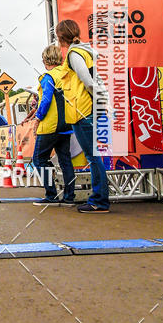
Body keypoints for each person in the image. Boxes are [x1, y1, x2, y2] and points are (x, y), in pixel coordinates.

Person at [56, 19, 110, 213]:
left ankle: (99, 200)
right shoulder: (84, 51)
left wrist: (101, 102)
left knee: (93, 157)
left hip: (83, 111)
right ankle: (99, 198)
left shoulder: (74, 54)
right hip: (86, 110)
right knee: (94, 156)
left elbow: (88, 82)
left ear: (60, 37)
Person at [31, 45, 76, 206]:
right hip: (67, 125)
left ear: (45, 60)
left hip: (50, 126)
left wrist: (37, 118)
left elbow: (46, 99)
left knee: (39, 159)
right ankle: (70, 197)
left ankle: (51, 195)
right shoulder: (67, 75)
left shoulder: (47, 77)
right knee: (65, 160)